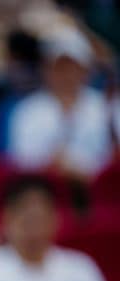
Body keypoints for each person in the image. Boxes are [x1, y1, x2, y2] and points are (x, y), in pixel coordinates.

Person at [7, 26, 112, 182]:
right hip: (48, 192)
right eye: (59, 67)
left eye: (72, 66)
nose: (66, 74)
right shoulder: (27, 111)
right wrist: (56, 164)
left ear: (86, 69)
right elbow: (20, 162)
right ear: (45, 69)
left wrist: (84, 170)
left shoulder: (107, 106)